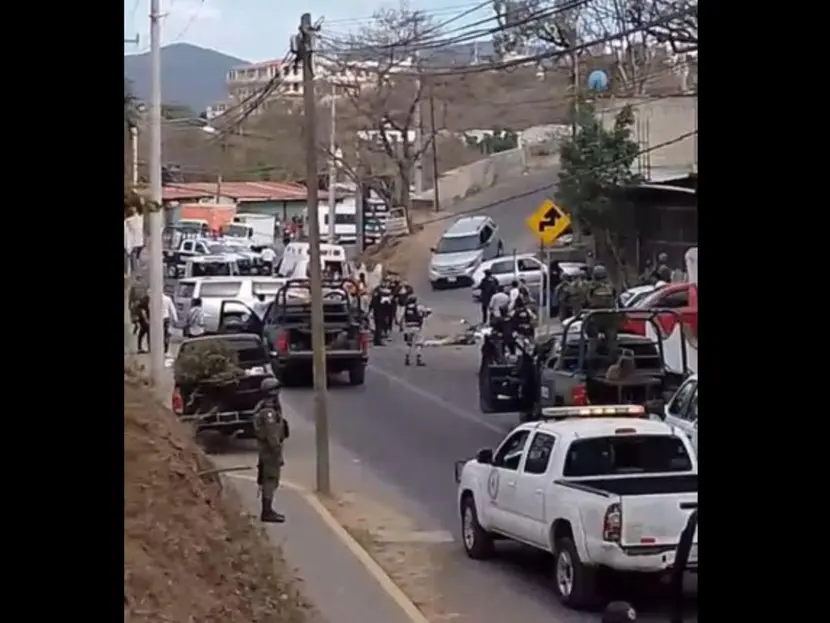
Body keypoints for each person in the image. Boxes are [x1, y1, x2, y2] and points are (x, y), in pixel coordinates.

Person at [253, 377, 289, 523]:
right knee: (270, 480)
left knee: (269, 480)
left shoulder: (265, 408)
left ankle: (268, 510)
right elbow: (272, 436)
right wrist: (278, 454)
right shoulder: (269, 413)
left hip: (267, 451)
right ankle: (267, 511)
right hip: (269, 452)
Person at [585, 265, 619, 360]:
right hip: (610, 319)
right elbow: (616, 298)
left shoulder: (590, 287)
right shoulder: (611, 286)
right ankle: (613, 360)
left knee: (592, 342)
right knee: (612, 343)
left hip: (594, 318)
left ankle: (590, 361)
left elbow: (585, 300)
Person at [401, 293, 427, 366]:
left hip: (408, 327)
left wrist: (401, 327)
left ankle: (407, 358)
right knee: (418, 343)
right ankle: (419, 359)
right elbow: (426, 312)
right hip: (416, 327)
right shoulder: (418, 307)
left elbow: (402, 318)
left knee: (408, 344)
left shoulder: (406, 308)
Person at [162, 290, 178, 355]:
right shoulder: (168, 299)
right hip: (166, 317)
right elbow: (172, 309)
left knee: (158, 335)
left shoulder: (155, 299)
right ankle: (166, 350)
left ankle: (157, 349)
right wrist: (175, 318)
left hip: (157, 319)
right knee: (166, 335)